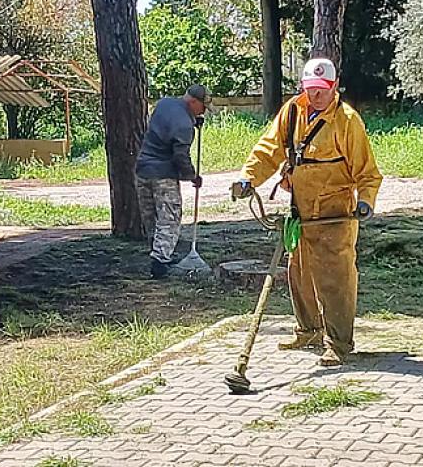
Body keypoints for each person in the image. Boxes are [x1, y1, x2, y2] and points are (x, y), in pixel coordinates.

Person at [232, 58, 383, 366]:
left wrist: (365, 200)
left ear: (334, 87)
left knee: (335, 277)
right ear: (303, 86)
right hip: (300, 209)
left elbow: (367, 172)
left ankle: (338, 343)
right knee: (298, 272)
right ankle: (309, 330)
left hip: (336, 213)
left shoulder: (347, 121)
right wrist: (249, 178)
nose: (315, 96)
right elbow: (268, 150)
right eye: (310, 89)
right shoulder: (292, 111)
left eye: (322, 90)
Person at [136, 84, 210, 279]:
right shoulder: (185, 126)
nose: (203, 112)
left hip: (142, 169)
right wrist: (193, 177)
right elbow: (180, 156)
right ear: (194, 102)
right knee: (169, 217)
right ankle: (160, 262)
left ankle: (158, 254)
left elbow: (166, 125)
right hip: (163, 175)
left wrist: (192, 121)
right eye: (203, 107)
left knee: (152, 216)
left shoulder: (164, 103)